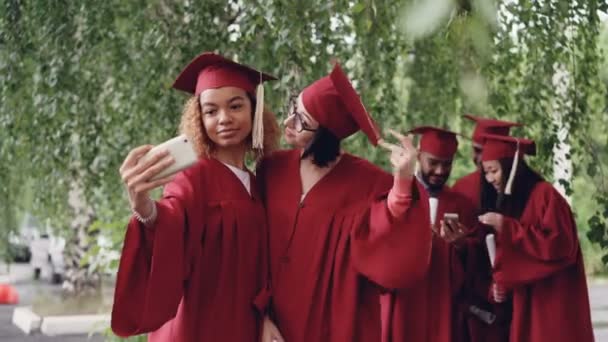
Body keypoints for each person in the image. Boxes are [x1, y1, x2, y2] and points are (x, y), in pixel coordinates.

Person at [111, 52, 281, 341]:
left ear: (255, 110)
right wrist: (145, 208)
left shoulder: (256, 183)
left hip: (242, 324)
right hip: (197, 326)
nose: (224, 118)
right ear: (199, 119)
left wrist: (265, 316)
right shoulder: (193, 177)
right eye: (211, 111)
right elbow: (171, 219)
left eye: (236, 106)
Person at [256, 62, 432, 342]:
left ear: (325, 135)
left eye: (302, 120)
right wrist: (259, 316)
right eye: (293, 108)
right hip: (268, 323)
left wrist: (402, 180)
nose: (288, 122)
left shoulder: (367, 182)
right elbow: (251, 247)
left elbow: (389, 235)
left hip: (330, 324)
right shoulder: (271, 168)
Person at [476, 133, 594, 342]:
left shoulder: (545, 196)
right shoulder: (509, 202)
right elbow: (510, 259)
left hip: (552, 303)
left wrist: (507, 227)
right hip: (525, 305)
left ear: (513, 167)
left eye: (494, 170)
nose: (490, 179)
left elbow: (560, 246)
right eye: (486, 172)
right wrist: (499, 286)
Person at [381, 126, 476, 342]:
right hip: (405, 301)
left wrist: (461, 246)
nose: (441, 170)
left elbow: (477, 265)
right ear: (419, 156)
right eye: (433, 162)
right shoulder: (400, 196)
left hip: (442, 304)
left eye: (447, 163)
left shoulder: (462, 206)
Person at [452, 115, 521, 209]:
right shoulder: (462, 188)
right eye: (477, 150)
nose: (481, 159)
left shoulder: (524, 189)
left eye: (488, 153)